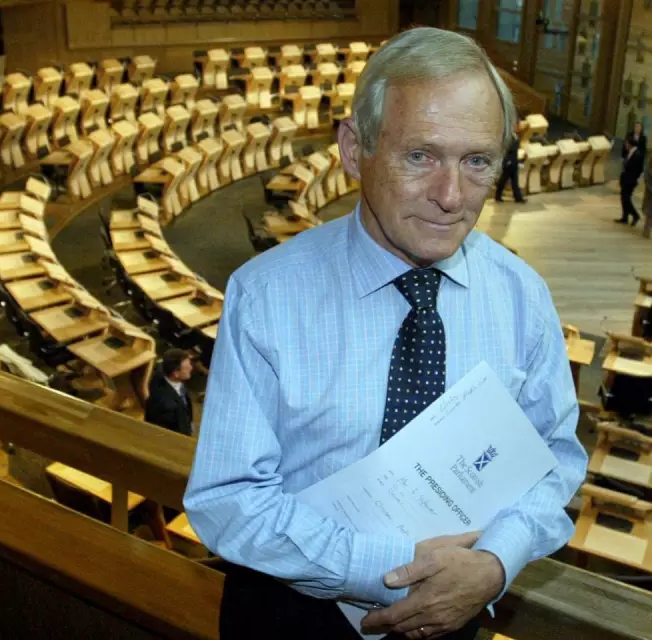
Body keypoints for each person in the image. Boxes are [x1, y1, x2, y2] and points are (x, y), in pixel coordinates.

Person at [185, 27, 587, 640]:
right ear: (354, 149)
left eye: (476, 161)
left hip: (457, 611)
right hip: (292, 618)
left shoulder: (522, 296)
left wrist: (494, 563)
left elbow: (553, 460)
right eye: (420, 156)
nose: (451, 197)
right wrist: (393, 570)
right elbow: (229, 500)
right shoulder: (265, 295)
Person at [143, 348, 193, 436]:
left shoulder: (168, 377)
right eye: (187, 367)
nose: (191, 368)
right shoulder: (166, 405)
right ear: (176, 374)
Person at [616, 139, 643, 226]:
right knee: (624, 199)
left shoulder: (637, 154)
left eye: (626, 143)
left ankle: (635, 215)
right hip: (625, 179)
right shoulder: (630, 152)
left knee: (626, 199)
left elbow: (639, 169)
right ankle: (625, 217)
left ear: (630, 144)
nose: (625, 145)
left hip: (630, 180)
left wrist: (633, 178)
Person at [494, 129, 525, 203]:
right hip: (508, 162)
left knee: (515, 181)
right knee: (503, 180)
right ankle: (498, 196)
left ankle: (518, 197)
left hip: (514, 162)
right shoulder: (507, 137)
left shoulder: (515, 136)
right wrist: (507, 161)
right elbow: (506, 150)